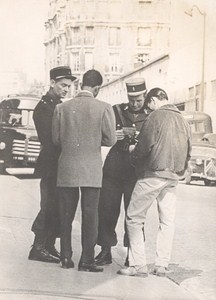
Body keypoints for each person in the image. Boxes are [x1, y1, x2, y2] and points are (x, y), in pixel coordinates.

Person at [117, 88, 191, 277]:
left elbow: (144, 147)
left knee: (134, 217)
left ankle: (138, 265)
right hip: (173, 176)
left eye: (149, 105)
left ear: (153, 100)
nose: (148, 110)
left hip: (153, 174)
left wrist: (133, 153)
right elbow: (189, 150)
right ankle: (161, 265)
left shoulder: (155, 116)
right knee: (167, 221)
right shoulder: (183, 120)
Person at [52, 69, 117, 271]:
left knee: (66, 214)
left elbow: (56, 140)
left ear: (81, 85)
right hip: (91, 169)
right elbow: (111, 140)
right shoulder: (105, 108)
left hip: (67, 167)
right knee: (90, 215)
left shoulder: (61, 108)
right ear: (97, 88)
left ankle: (65, 257)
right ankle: (87, 260)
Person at [95, 78, 149, 266]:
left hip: (136, 172)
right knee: (107, 210)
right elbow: (103, 134)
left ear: (145, 95)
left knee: (134, 214)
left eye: (138, 100)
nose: (134, 103)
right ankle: (105, 250)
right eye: (131, 99)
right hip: (114, 169)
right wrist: (112, 136)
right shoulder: (116, 110)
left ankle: (132, 254)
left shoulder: (151, 115)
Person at [28, 66, 76, 263]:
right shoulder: (44, 107)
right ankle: (38, 247)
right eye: (63, 85)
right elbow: (50, 140)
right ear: (52, 83)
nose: (66, 89)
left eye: (69, 86)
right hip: (51, 164)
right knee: (48, 205)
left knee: (56, 205)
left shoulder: (56, 105)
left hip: (57, 164)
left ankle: (48, 245)